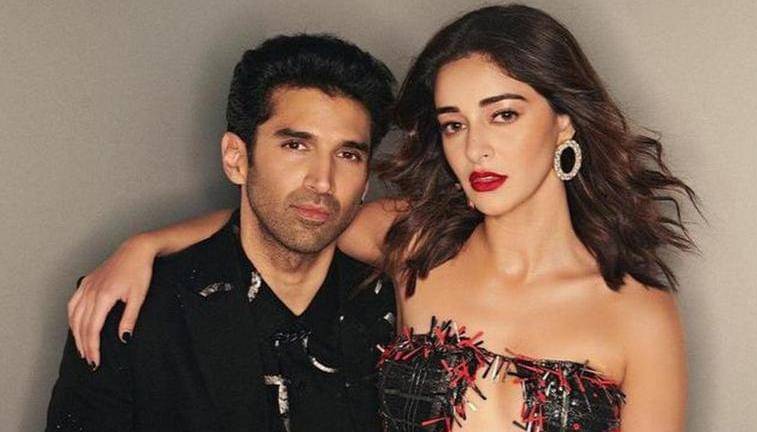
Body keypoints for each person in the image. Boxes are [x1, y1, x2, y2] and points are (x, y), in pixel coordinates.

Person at [68, 5, 698, 432]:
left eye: (503, 114)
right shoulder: (415, 245)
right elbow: (298, 217)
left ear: (563, 122)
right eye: (454, 124)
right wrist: (146, 245)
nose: (476, 148)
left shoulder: (639, 314)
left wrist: (146, 241)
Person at [47, 34, 397, 432]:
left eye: (348, 154)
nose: (322, 181)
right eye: (296, 146)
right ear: (236, 158)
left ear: (366, 180)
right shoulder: (132, 311)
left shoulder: (394, 311)